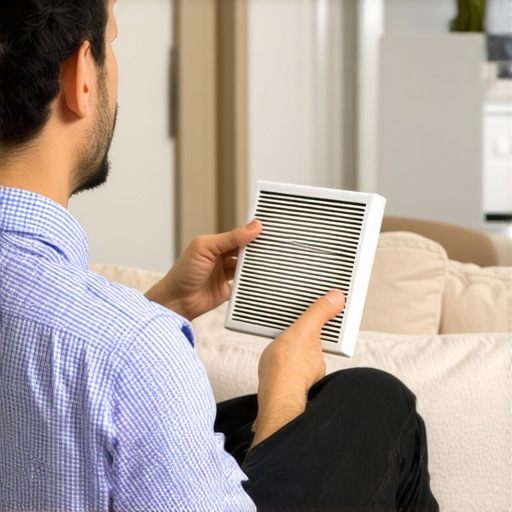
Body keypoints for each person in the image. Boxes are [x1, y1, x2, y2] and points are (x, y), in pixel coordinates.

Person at [0, 1, 439, 510]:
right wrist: (285, 399)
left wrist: (161, 305)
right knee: (377, 403)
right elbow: (106, 363)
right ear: (81, 77)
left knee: (354, 400)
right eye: (112, 43)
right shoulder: (134, 354)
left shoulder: (122, 343)